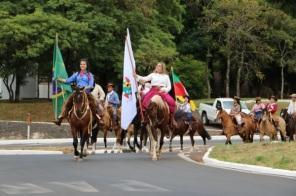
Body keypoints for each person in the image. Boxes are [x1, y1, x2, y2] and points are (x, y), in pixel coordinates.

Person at [53, 59, 101, 126]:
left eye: (84, 64)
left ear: (86, 65)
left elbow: (91, 85)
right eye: (81, 64)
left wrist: (84, 88)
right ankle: (60, 118)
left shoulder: (90, 75)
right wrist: (59, 79)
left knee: (95, 103)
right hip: (77, 92)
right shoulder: (76, 74)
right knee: (67, 102)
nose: (82, 65)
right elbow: (68, 81)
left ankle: (99, 119)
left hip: (86, 92)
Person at [135, 62, 176, 127]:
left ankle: (171, 119)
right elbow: (144, 78)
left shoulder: (166, 76)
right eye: (157, 66)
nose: (157, 67)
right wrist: (136, 76)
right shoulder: (152, 75)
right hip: (153, 91)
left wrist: (164, 89)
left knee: (172, 102)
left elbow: (169, 87)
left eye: (159, 66)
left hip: (162, 91)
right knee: (144, 100)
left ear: (162, 68)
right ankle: (145, 118)